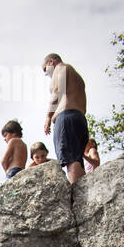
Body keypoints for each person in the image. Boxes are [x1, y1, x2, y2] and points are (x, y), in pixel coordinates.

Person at [42, 53, 88, 184]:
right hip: (79, 118)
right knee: (77, 159)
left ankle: (77, 196)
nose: (46, 74)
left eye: (45, 69)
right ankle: (82, 191)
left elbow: (57, 91)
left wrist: (48, 118)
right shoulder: (76, 76)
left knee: (70, 159)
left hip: (66, 118)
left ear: (51, 62)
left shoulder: (61, 68)